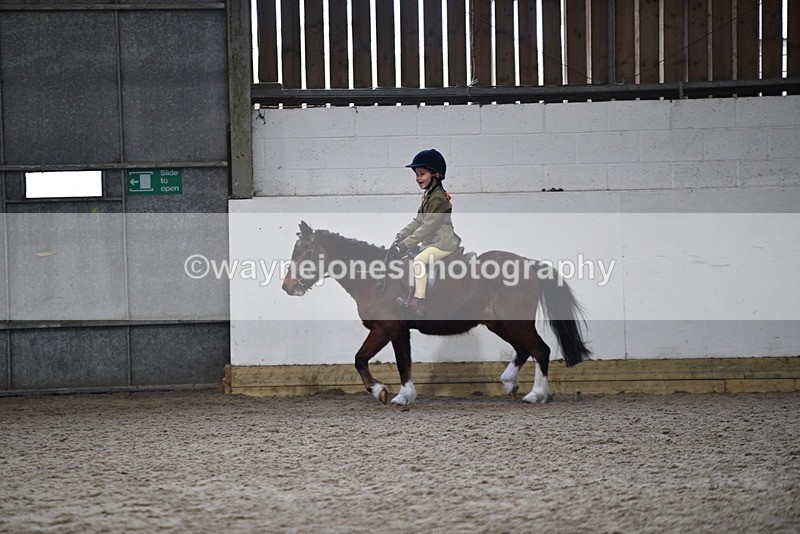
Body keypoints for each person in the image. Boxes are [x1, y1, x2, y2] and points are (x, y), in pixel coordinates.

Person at [390, 149, 461, 317]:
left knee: (419, 261)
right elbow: (418, 221)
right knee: (407, 259)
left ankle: (419, 301)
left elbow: (428, 226)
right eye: (416, 174)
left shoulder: (438, 199)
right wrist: (401, 235)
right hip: (431, 243)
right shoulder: (428, 196)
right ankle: (410, 293)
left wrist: (406, 244)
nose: (418, 178)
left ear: (435, 175)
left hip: (443, 243)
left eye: (422, 174)